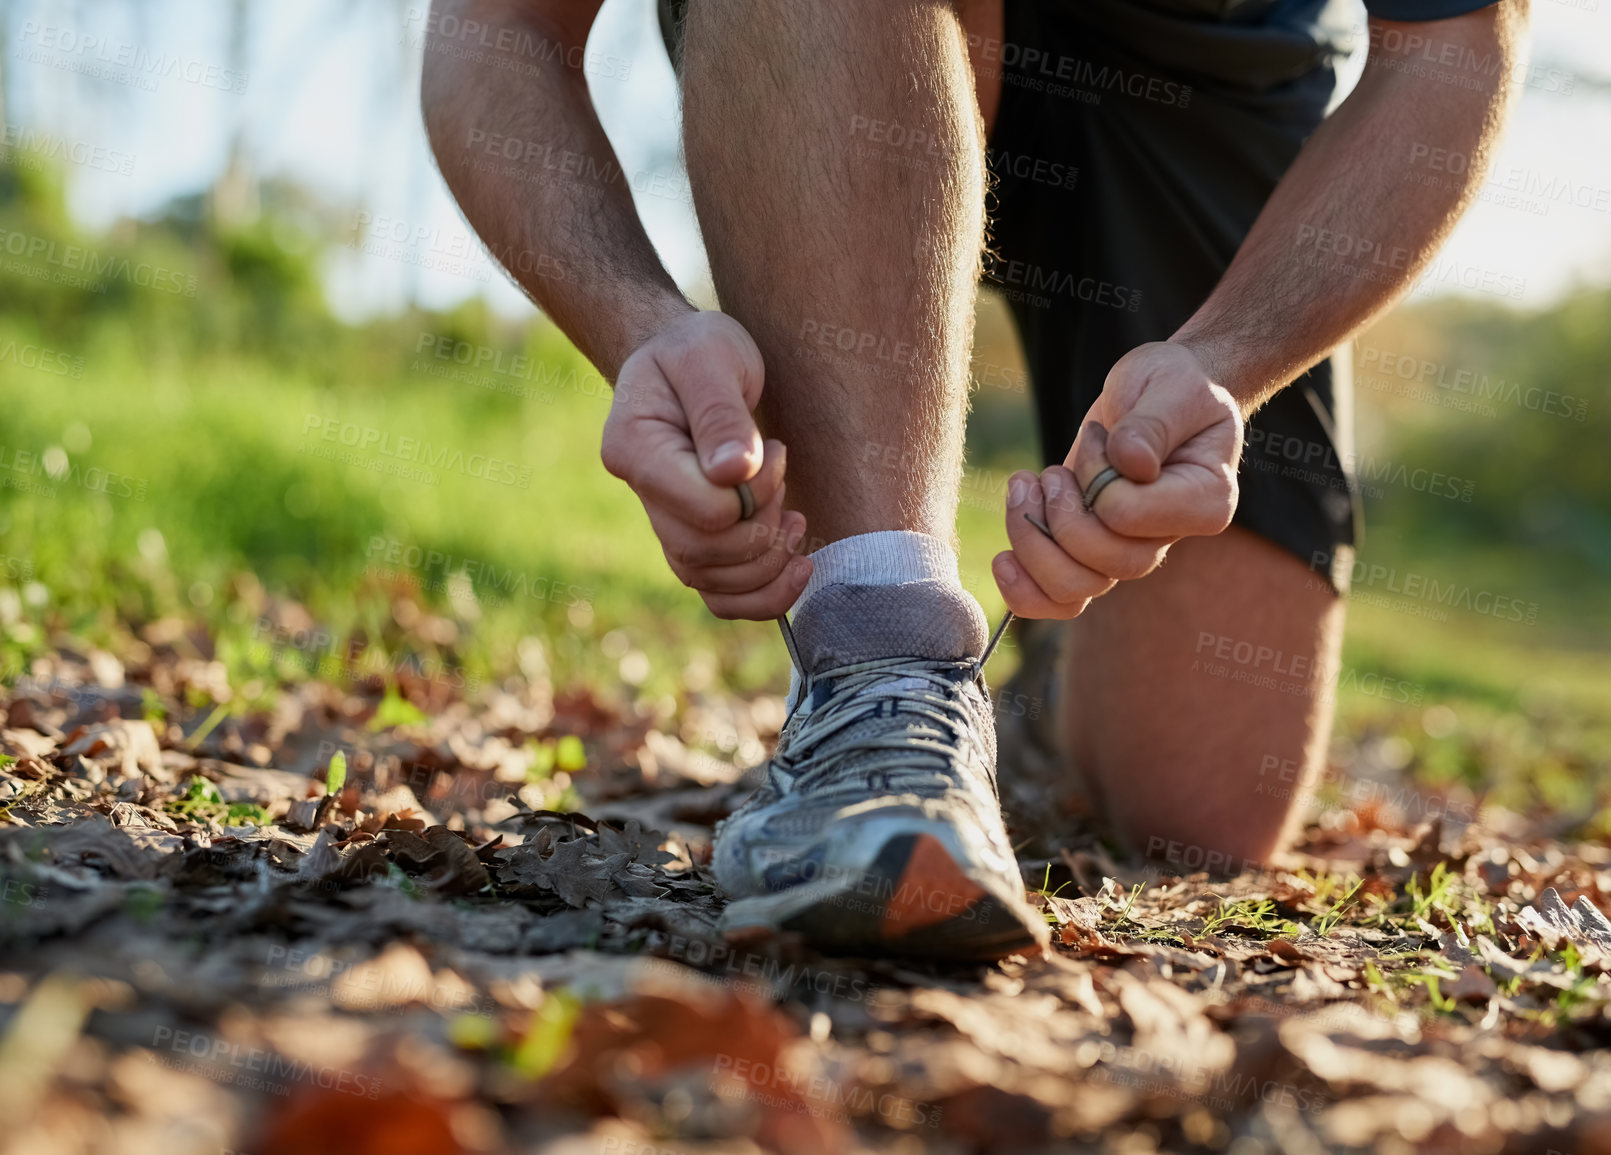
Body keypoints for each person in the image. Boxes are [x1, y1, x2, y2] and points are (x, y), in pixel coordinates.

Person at [422, 0, 1528, 959]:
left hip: (1211, 67)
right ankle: (883, 661)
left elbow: (1457, 47)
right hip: (836, 48)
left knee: (1204, 808)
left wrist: (1227, 367)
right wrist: (640, 326)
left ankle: (1038, 689)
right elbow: (497, 27)